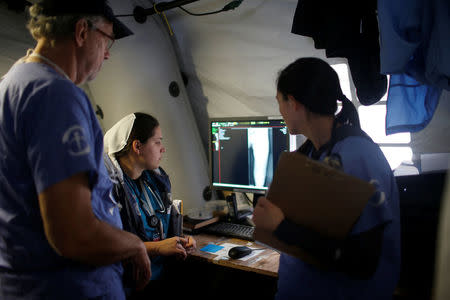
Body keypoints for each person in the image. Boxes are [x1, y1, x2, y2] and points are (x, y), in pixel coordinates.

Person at [0, 1, 151, 299]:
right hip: (67, 287)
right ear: (82, 31)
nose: (108, 53)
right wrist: (134, 244)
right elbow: (75, 233)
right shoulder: (56, 94)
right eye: (107, 40)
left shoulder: (10, 84)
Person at [253, 57, 400, 299]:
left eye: (279, 101)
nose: (279, 111)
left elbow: (361, 260)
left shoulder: (358, 158)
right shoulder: (310, 152)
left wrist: (281, 227)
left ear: (294, 103)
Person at [103, 113, 196, 292]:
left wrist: (180, 241)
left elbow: (161, 229)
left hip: (161, 276)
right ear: (137, 146)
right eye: (157, 142)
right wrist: (159, 248)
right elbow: (111, 246)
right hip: (130, 286)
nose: (163, 149)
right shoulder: (109, 189)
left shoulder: (155, 181)